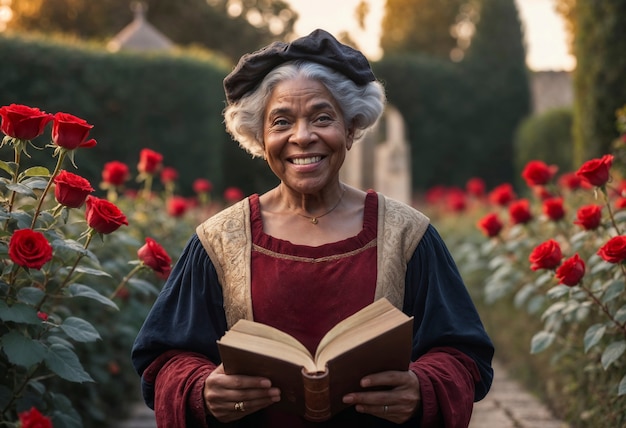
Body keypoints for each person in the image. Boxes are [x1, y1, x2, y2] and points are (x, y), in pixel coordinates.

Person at [131, 28, 494, 427]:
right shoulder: (218, 241)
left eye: (323, 118)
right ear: (260, 137)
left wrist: (421, 387)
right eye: (281, 121)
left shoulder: (409, 236)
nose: (302, 137)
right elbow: (163, 360)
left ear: (352, 128)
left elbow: (463, 354)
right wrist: (201, 388)